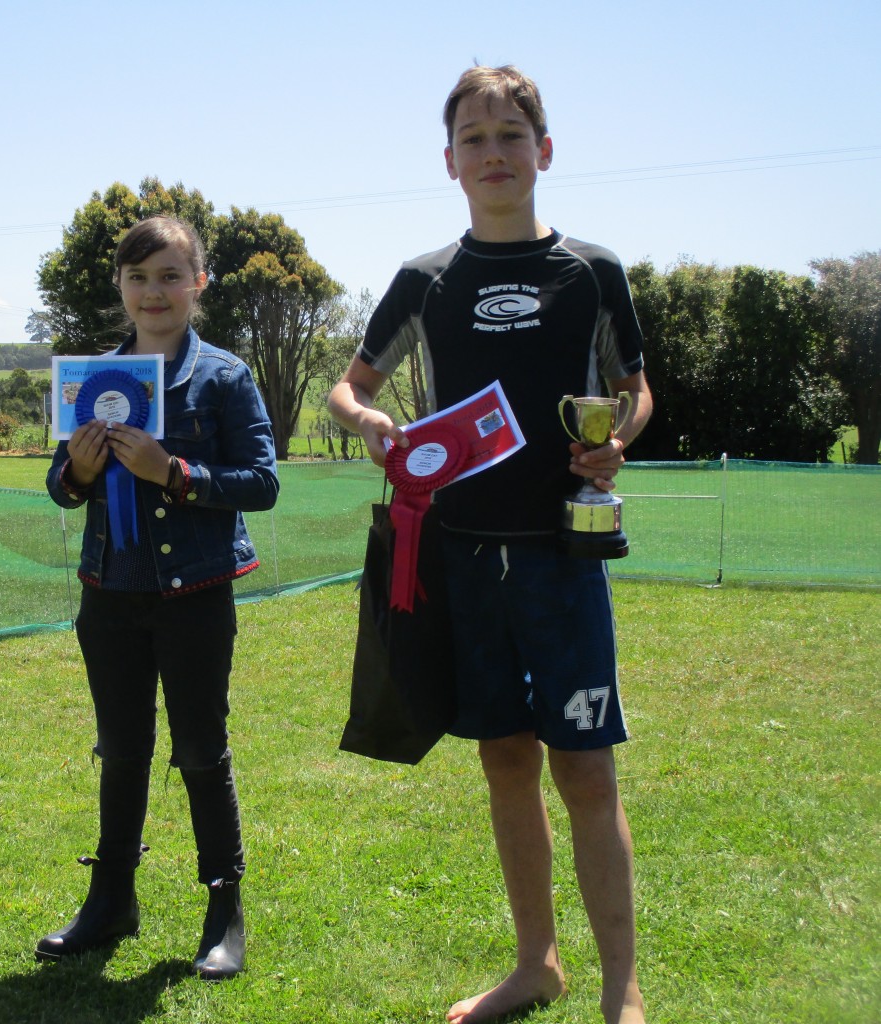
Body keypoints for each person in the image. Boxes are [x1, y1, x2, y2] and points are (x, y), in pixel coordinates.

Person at [328, 67, 653, 1024]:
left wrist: (616, 441)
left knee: (585, 769)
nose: (493, 153)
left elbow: (633, 387)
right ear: (449, 162)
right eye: (473, 138)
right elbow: (349, 385)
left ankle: (621, 991)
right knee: (505, 761)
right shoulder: (425, 280)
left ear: (543, 151)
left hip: (563, 557)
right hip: (461, 559)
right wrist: (369, 421)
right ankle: (534, 965)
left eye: (510, 135)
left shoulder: (591, 271)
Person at [39, 216, 279, 980]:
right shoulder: (89, 378)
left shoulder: (225, 377)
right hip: (108, 595)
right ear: (120, 286)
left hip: (194, 596)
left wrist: (174, 473)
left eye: (170, 276)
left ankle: (223, 907)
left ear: (197, 283)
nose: (153, 292)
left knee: (201, 748)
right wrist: (78, 471)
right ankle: (111, 899)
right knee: (120, 749)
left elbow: (262, 482)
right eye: (138, 277)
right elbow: (60, 487)